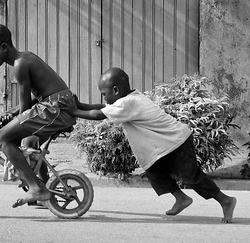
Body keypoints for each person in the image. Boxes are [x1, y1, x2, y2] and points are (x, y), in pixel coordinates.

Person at [63, 67, 237, 223]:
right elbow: (104, 108)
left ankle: (226, 200)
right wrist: (79, 105)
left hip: (177, 141)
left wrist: (74, 111)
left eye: (104, 93)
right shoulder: (130, 98)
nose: (105, 98)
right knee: (153, 169)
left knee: (190, 177)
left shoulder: (129, 103)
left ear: (115, 90)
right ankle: (181, 198)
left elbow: (99, 114)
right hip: (163, 145)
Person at [0, 23, 76, 207]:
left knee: (2, 137)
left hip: (55, 108)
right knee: (30, 143)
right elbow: (37, 96)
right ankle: (44, 188)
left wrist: (14, 118)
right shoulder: (25, 57)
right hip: (58, 106)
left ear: (3, 48)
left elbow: (25, 110)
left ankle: (36, 188)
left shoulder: (20, 64)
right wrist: (13, 112)